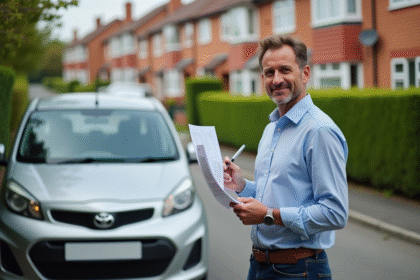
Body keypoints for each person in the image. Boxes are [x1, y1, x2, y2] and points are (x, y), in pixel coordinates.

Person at [223, 35, 348, 279]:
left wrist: (269, 215)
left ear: (305, 73)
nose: (277, 79)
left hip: (299, 270)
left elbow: (335, 212)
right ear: (262, 79)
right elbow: (279, 192)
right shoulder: (272, 127)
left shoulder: (319, 131)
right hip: (259, 266)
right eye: (269, 72)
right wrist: (242, 185)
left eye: (285, 70)